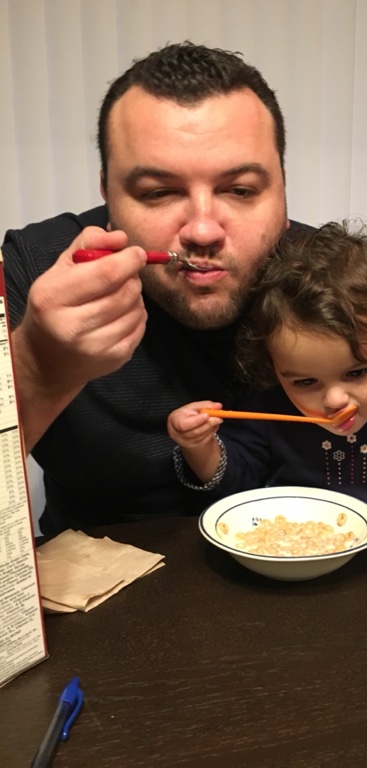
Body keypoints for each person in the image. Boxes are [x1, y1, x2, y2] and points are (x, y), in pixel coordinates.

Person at [2, 41, 313, 537]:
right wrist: (40, 367)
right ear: (106, 192)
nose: (204, 231)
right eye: (158, 193)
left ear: (282, 187)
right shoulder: (37, 269)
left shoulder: (326, 276)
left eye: (240, 190)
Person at [167, 222, 367, 522]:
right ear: (274, 364)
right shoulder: (268, 397)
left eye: (357, 373)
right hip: (300, 540)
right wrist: (199, 447)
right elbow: (236, 479)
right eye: (306, 381)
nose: (334, 400)